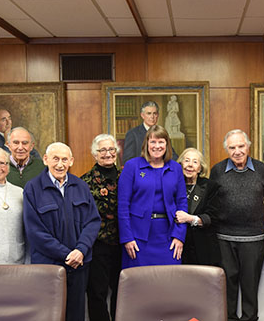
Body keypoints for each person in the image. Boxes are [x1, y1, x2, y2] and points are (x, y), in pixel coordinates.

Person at [23, 142, 101, 321]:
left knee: (76, 315)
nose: (60, 164)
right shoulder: (32, 189)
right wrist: (67, 254)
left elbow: (93, 221)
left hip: (79, 265)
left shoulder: (81, 186)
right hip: (48, 266)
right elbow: (35, 231)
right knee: (48, 314)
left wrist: (80, 250)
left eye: (64, 159)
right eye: (55, 159)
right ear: (45, 160)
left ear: (71, 161)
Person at [210, 129, 264, 321]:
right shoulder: (217, 170)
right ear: (227, 150)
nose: (237, 151)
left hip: (254, 239)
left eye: (241, 146)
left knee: (250, 286)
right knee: (227, 286)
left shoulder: (262, 169)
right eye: (232, 147)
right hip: (223, 238)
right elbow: (211, 204)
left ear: (248, 146)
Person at [118, 125, 187, 268]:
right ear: (146, 144)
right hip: (138, 238)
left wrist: (179, 236)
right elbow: (123, 205)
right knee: (139, 283)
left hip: (169, 236)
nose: (157, 146)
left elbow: (182, 204)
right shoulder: (132, 166)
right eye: (153, 142)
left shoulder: (176, 168)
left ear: (167, 144)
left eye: (161, 142)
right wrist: (127, 238)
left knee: (168, 282)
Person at [81, 134, 122, 321]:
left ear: (117, 152)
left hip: (124, 243)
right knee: (97, 291)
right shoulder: (84, 182)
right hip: (97, 244)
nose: (108, 154)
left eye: (111, 149)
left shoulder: (126, 177)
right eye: (102, 150)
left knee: (122, 289)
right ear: (94, 154)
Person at [175, 148, 221, 266]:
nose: (190, 165)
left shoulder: (211, 187)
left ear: (200, 168)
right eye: (187, 161)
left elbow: (213, 218)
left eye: (195, 162)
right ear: (180, 165)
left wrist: (189, 219)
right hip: (176, 246)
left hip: (203, 249)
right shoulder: (172, 186)